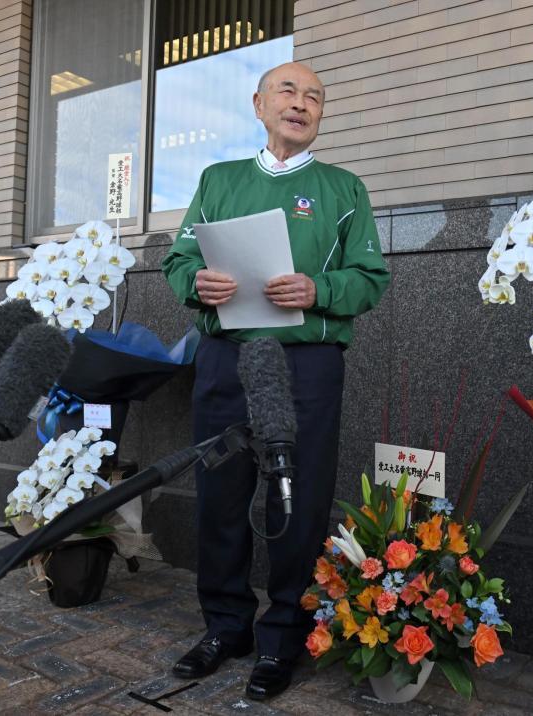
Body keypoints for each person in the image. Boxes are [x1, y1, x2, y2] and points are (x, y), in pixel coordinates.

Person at [161, 62, 390, 700]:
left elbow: (371, 279)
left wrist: (321, 288)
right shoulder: (218, 180)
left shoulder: (344, 189)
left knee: (298, 497)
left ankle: (283, 635)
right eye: (288, 91)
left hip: (306, 364)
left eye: (314, 96)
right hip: (226, 357)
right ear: (259, 104)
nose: (301, 103)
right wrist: (196, 284)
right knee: (220, 494)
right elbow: (179, 258)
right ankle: (225, 626)